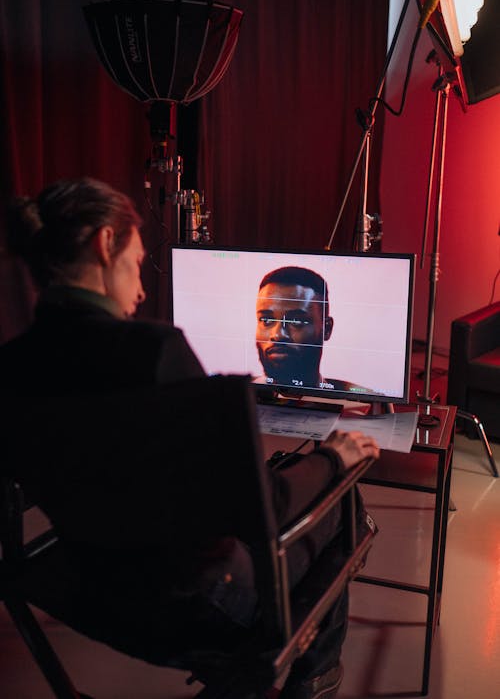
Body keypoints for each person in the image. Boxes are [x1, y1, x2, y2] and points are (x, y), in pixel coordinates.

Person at [0, 177, 380, 699]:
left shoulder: (11, 365)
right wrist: (334, 457)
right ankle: (309, 676)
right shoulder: (153, 350)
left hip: (84, 587)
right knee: (344, 498)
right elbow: (264, 510)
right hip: (193, 605)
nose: (139, 291)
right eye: (135, 265)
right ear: (104, 244)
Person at [255, 265, 378, 396]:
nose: (278, 334)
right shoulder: (237, 396)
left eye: (297, 321)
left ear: (326, 329)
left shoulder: (361, 399)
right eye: (266, 320)